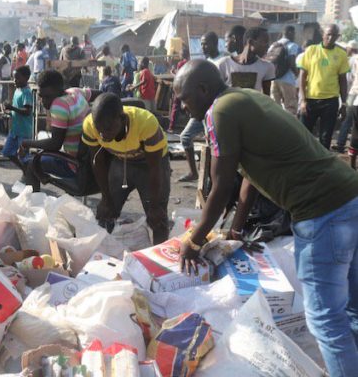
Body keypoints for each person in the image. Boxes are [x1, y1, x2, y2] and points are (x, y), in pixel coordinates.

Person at [173, 59, 358, 377]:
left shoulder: (219, 113)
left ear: (203, 89)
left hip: (320, 211)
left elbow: (219, 186)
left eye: (184, 97)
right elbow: (250, 178)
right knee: (352, 308)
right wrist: (235, 229)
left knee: (325, 319)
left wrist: (194, 238)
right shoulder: (246, 97)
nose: (180, 104)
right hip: (349, 195)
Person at [82, 93, 170, 243]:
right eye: (99, 130)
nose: (103, 136)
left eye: (108, 129)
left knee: (157, 219)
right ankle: (102, 256)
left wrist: (154, 206)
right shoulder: (90, 125)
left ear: (122, 119)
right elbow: (98, 161)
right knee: (106, 213)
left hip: (149, 165)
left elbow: (155, 169)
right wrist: (105, 197)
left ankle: (159, 260)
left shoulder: (146, 124)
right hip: (120, 161)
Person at [20, 70, 98, 192]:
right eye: (41, 97)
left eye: (48, 97)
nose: (44, 101)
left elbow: (55, 144)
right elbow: (101, 94)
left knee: (30, 164)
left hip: (75, 165)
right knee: (38, 158)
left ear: (59, 90)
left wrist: (26, 143)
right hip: (91, 162)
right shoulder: (76, 92)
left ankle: (33, 206)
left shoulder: (59, 105)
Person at [178, 36, 225, 183]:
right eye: (202, 44)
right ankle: (196, 173)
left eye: (206, 44)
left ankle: (211, 178)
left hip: (213, 108)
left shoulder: (222, 62)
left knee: (214, 144)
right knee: (188, 137)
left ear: (215, 44)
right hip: (201, 108)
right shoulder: (205, 62)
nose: (203, 47)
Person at [298, 24, 349, 150]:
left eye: (334, 35)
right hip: (310, 100)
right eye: (328, 34)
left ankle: (322, 166)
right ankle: (304, 163)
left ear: (338, 36)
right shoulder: (311, 50)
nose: (331, 37)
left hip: (330, 102)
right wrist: (303, 100)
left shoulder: (341, 54)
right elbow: (302, 77)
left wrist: (344, 103)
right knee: (304, 134)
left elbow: (343, 80)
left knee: (325, 138)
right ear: (323, 34)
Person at [216, 27, 275, 95]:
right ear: (251, 42)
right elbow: (217, 94)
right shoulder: (224, 64)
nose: (268, 46)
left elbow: (266, 98)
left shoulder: (267, 67)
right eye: (265, 42)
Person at [2, 65, 34, 172]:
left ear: (26, 78)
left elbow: (27, 111)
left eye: (17, 78)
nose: (14, 80)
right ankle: (24, 170)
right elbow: (16, 110)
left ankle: (30, 174)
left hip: (24, 132)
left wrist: (12, 108)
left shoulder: (26, 92)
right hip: (15, 130)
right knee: (7, 151)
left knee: (24, 157)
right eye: (14, 78)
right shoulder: (17, 91)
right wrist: (9, 112)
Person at [269, 25, 300, 115]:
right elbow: (291, 62)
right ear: (289, 33)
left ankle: (276, 126)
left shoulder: (273, 45)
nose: (295, 36)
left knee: (275, 106)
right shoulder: (292, 45)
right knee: (290, 106)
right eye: (294, 33)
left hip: (274, 79)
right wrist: (296, 73)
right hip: (287, 79)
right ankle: (290, 127)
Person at [336, 40, 358, 152]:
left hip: (352, 93)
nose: (346, 50)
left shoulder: (351, 60)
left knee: (347, 119)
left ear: (351, 49)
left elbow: (348, 79)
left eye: (347, 49)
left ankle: (340, 143)